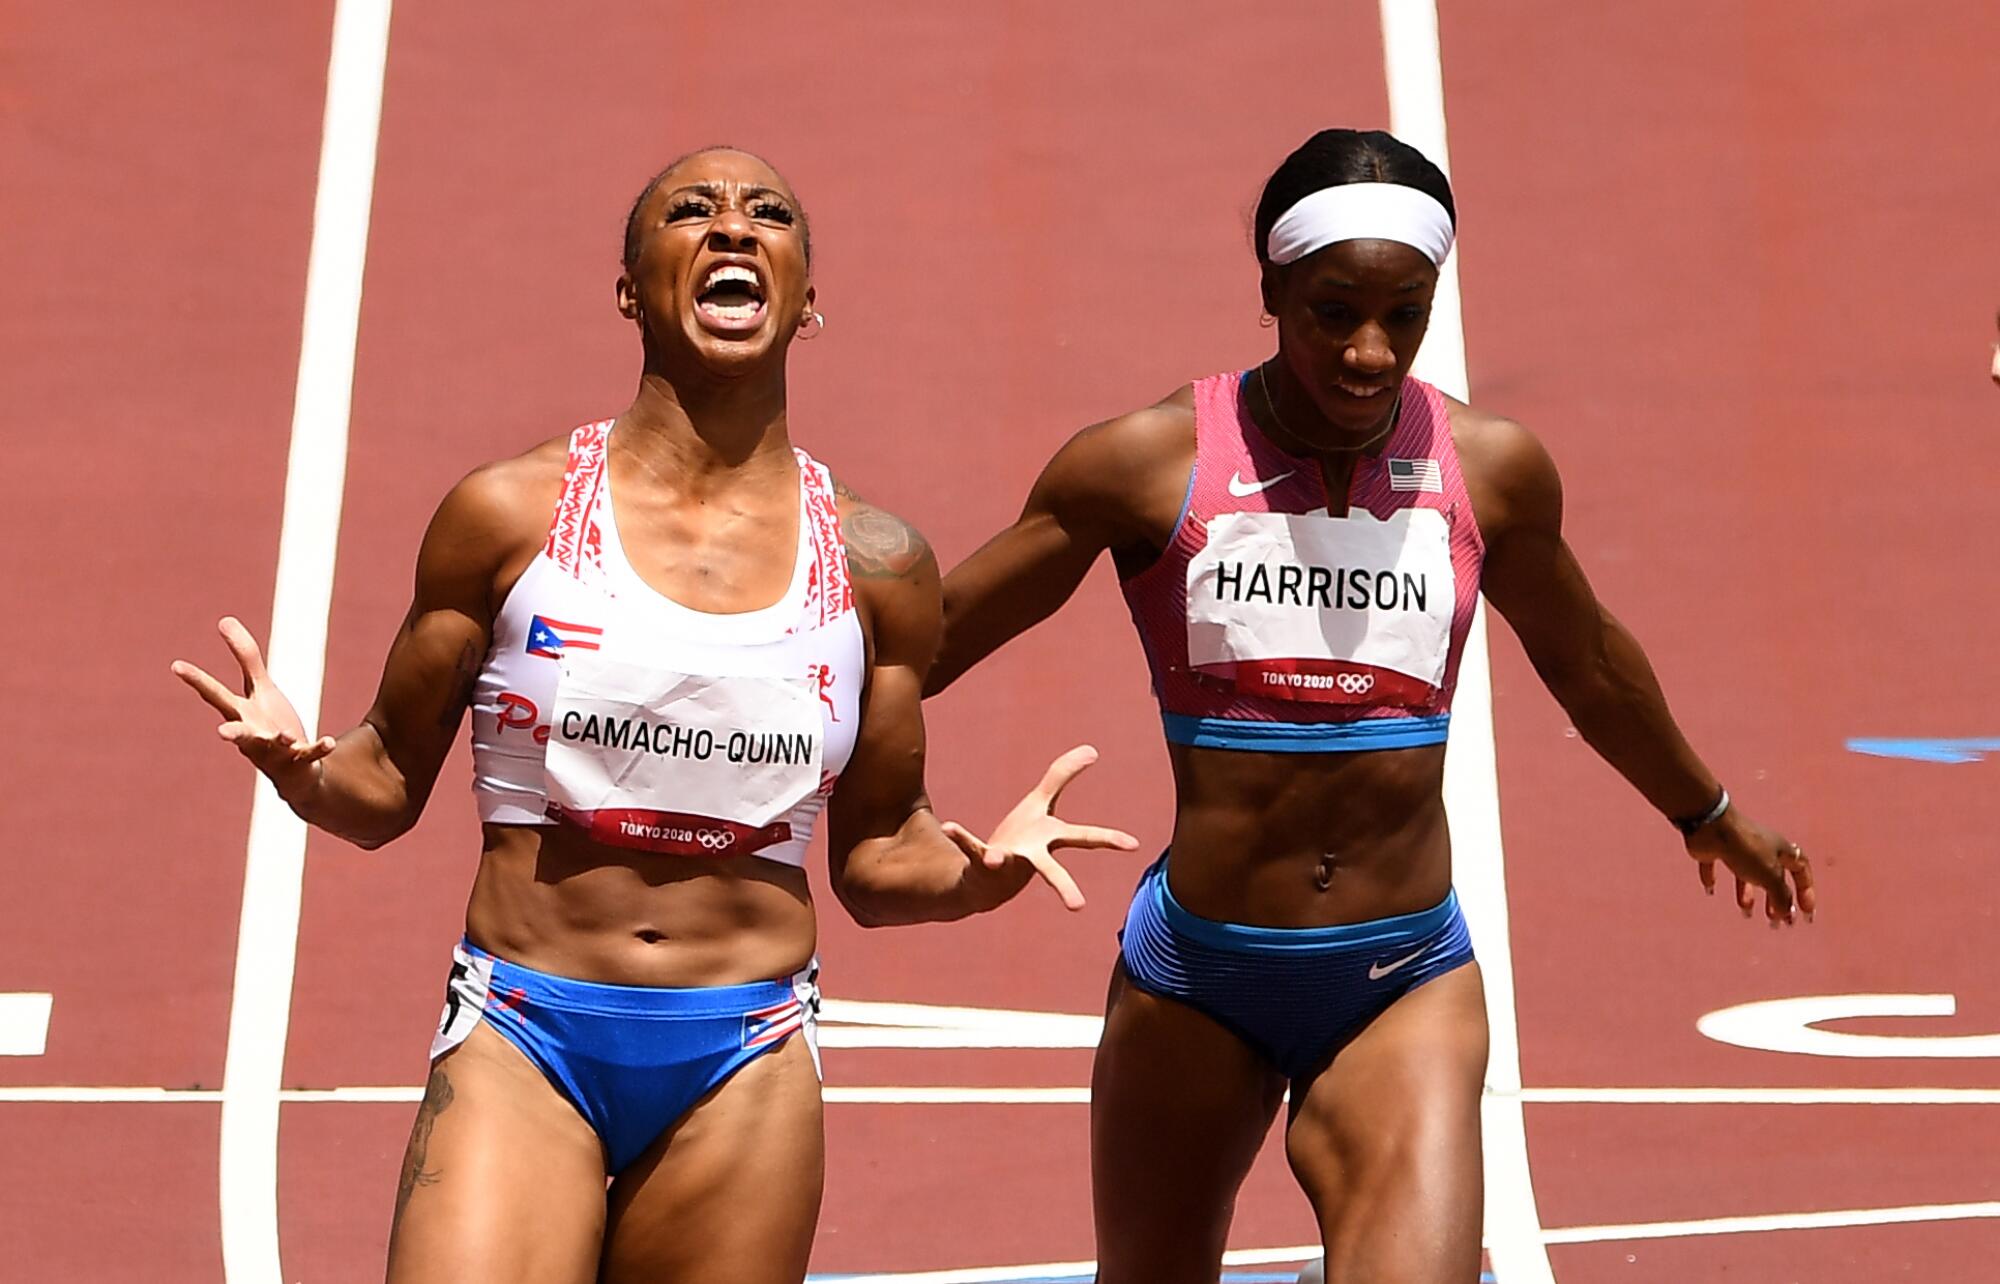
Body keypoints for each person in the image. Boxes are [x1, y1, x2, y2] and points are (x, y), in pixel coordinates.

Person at [173, 146, 1135, 1284]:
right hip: (525, 1034)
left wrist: (978, 871)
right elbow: (381, 788)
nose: (733, 228)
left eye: (767, 213)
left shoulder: (879, 564)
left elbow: (877, 856)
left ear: (807, 299)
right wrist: (303, 766)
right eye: (693, 211)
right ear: (631, 287)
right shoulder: (506, 517)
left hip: (745, 1055)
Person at [927, 128, 1817, 1283]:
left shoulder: (1488, 472)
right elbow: (928, 643)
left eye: (1404, 314)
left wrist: (1705, 811)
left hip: (1400, 976)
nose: (1367, 350)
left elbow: (1585, 661)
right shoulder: (1144, 466)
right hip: (1196, 974)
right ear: (1268, 290)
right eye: (1330, 311)